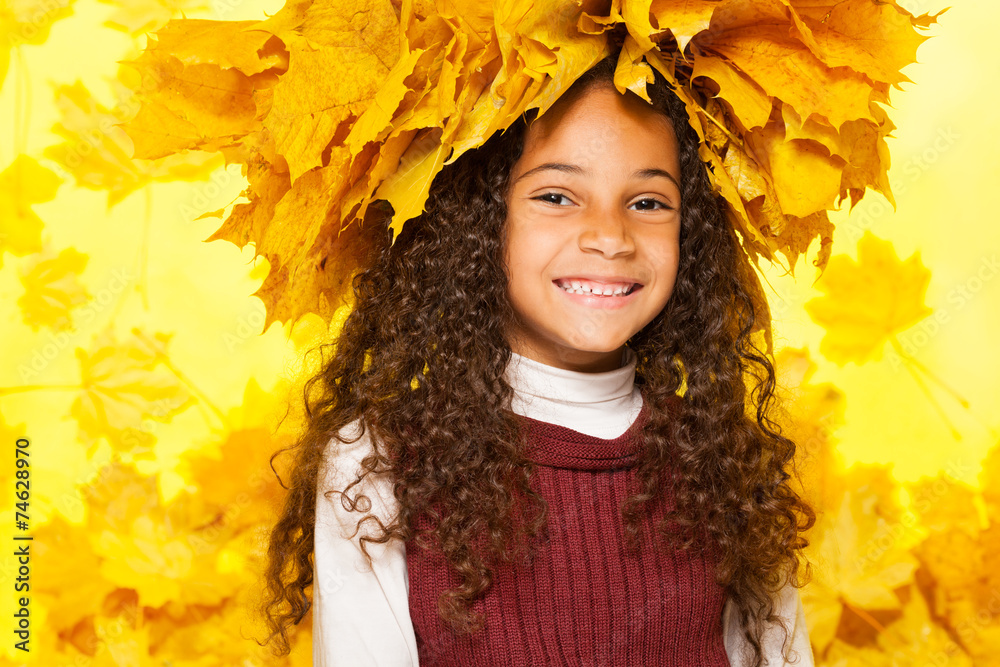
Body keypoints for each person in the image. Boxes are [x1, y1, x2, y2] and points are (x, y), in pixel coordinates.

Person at [260, 49, 816, 666]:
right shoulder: (376, 462)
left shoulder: (721, 455)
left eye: (649, 203)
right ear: (478, 222)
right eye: (556, 196)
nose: (610, 236)